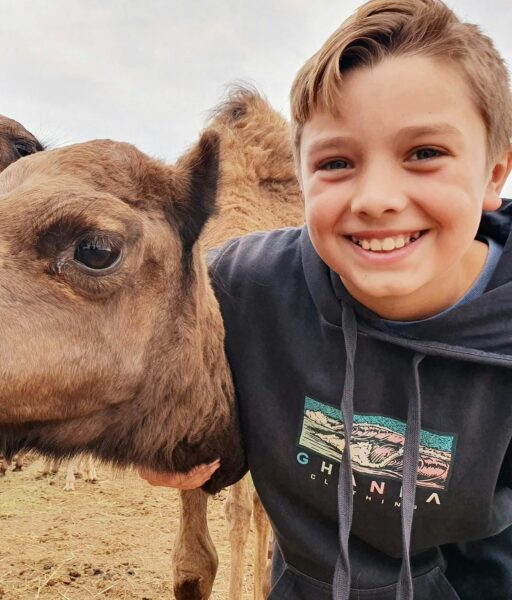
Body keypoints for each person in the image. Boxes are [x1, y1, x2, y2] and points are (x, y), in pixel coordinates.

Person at [140, 0, 512, 598]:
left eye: (424, 153)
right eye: (337, 162)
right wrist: (155, 432)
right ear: (303, 177)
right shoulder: (239, 287)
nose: (377, 198)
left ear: (495, 174)